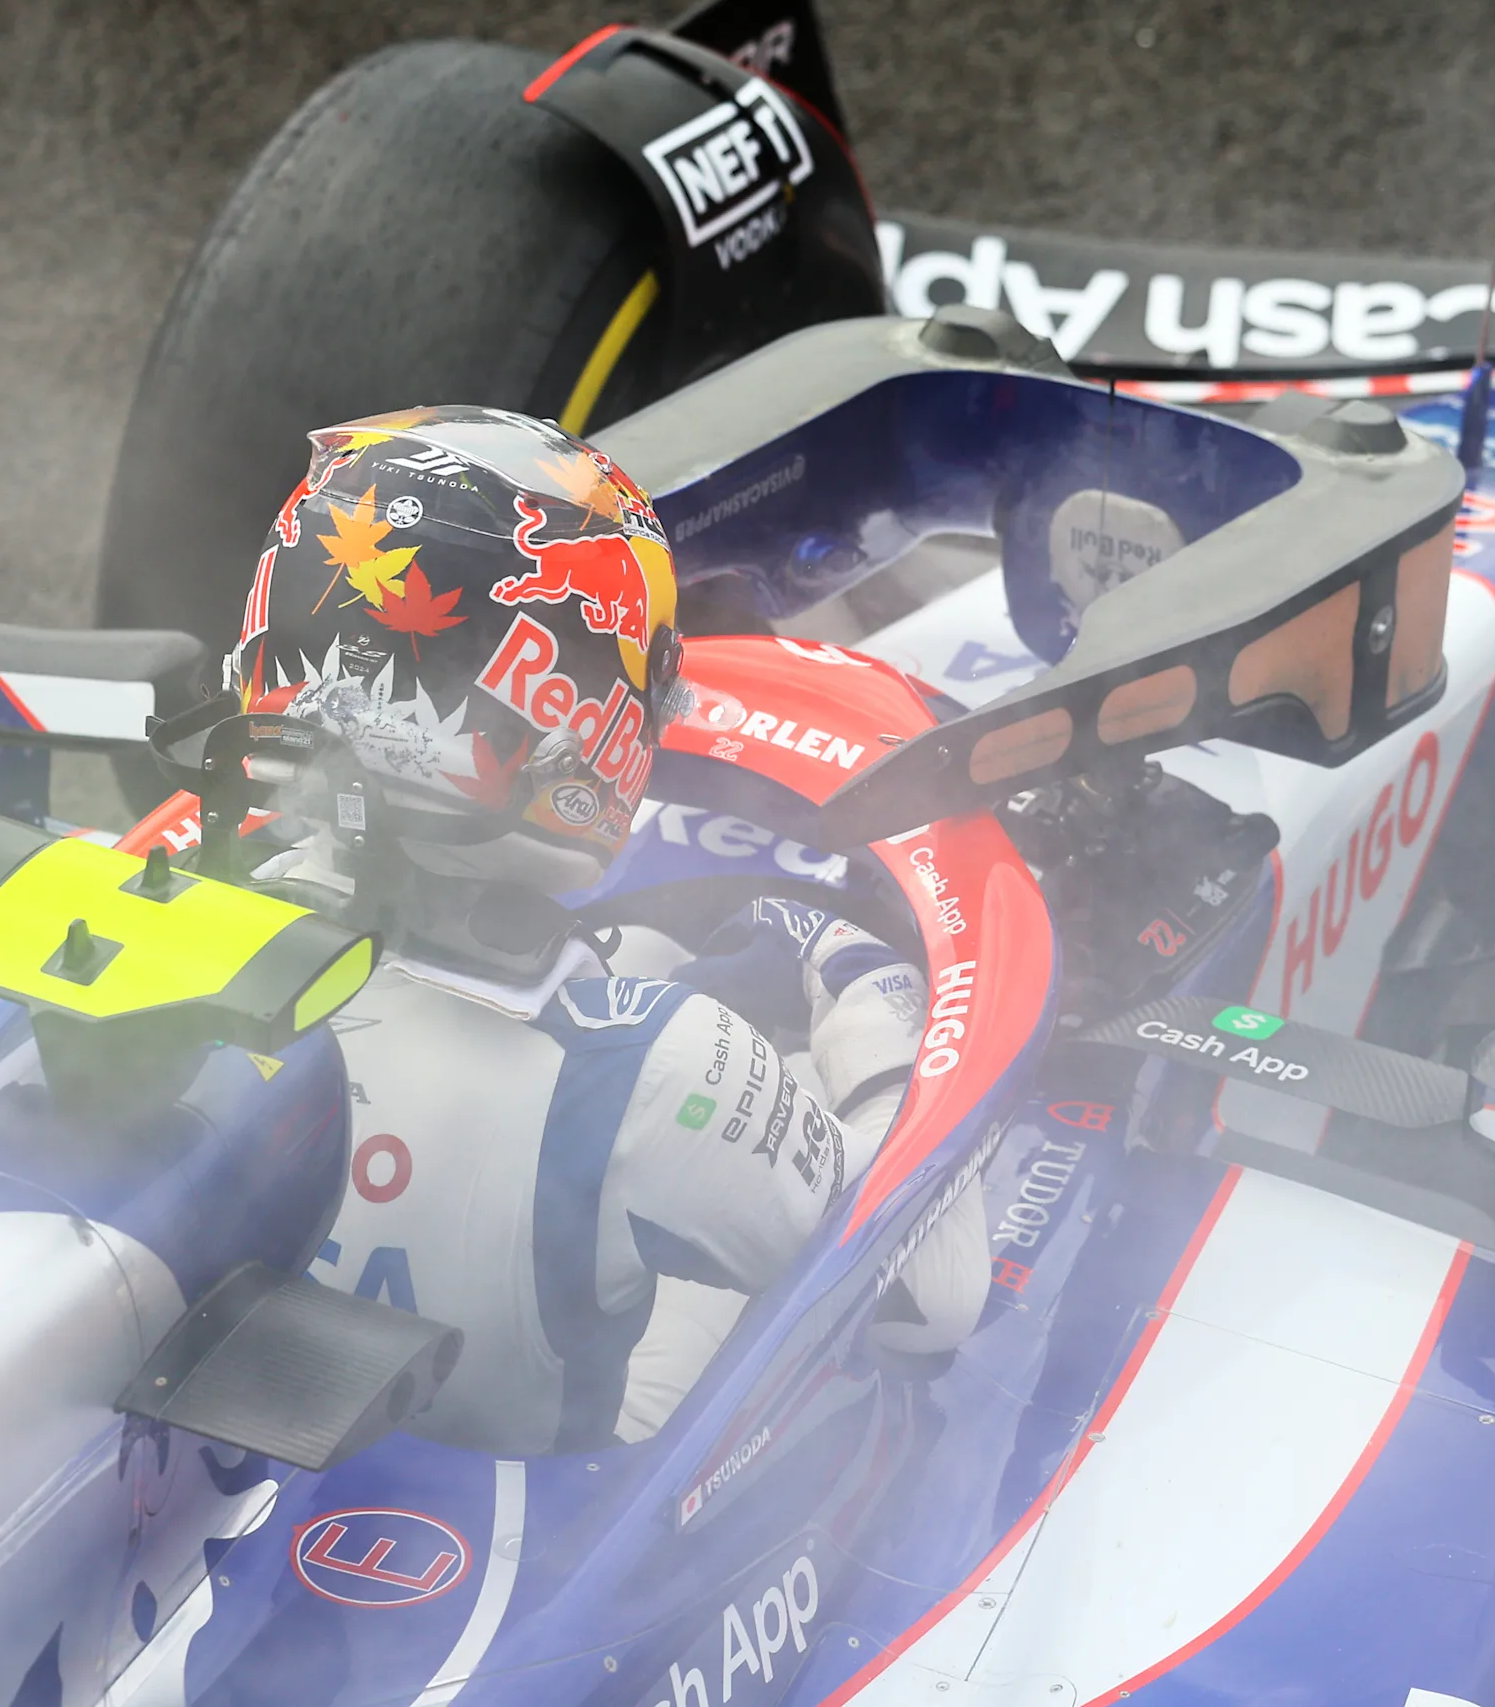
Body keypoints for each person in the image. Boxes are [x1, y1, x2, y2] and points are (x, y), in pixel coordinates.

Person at [210, 406, 945, 1454]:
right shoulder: (653, 1066)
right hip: (495, 1542)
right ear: (568, 708)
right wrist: (864, 987)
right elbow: (926, 1300)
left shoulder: (117, 925)